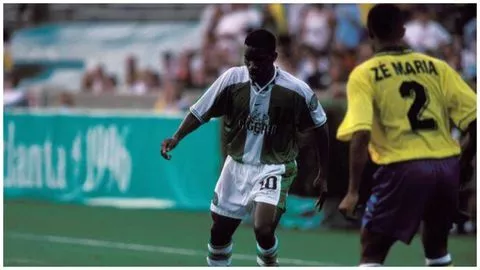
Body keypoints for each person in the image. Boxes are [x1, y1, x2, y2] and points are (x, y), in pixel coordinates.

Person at [160, 29, 330, 266]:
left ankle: (270, 262)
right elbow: (200, 111)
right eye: (247, 59)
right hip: (236, 166)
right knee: (219, 233)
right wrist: (177, 137)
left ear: (273, 56)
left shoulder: (296, 90)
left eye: (258, 60)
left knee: (263, 228)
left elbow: (320, 126)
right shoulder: (232, 79)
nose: (251, 65)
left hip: (274, 167)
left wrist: (323, 173)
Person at [336, 4, 476, 267]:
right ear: (403, 30)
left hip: (402, 167)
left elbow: (361, 134)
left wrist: (353, 191)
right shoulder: (437, 67)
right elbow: (475, 122)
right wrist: (464, 161)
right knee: (437, 248)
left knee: (372, 250)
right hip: (446, 167)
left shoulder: (364, 74)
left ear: (369, 33)